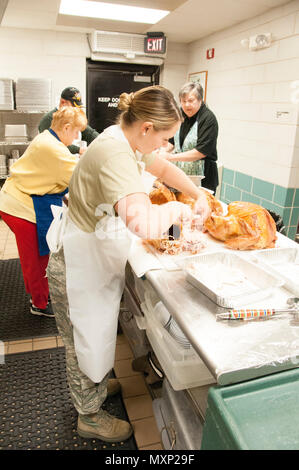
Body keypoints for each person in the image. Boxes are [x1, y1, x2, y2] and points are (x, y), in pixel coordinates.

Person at [46, 85, 211, 443]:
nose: (166, 146)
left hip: (92, 252)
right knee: (81, 337)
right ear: (147, 127)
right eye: (165, 137)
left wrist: (197, 193)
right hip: (75, 263)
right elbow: (142, 222)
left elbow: (163, 169)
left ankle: (97, 383)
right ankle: (88, 414)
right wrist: (179, 209)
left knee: (97, 330)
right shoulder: (115, 153)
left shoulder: (126, 138)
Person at [0, 107, 87, 317]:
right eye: (76, 132)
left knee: (40, 256)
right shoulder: (55, 149)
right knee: (37, 259)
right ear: (66, 127)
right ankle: (38, 304)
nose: (77, 137)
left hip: (20, 197)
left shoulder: (46, 137)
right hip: (21, 206)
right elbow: (83, 179)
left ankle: (39, 293)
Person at [160, 81, 219, 194]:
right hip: (182, 175)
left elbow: (201, 152)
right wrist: (162, 151)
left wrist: (169, 157)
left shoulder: (208, 119)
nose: (187, 105)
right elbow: (172, 141)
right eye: (183, 101)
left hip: (203, 177)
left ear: (200, 100)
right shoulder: (180, 114)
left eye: (191, 101)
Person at [38, 87, 99, 154]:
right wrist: (79, 150)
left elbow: (90, 134)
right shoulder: (48, 120)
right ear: (63, 102)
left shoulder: (72, 117)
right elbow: (54, 146)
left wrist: (103, 140)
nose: (76, 136)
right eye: (74, 107)